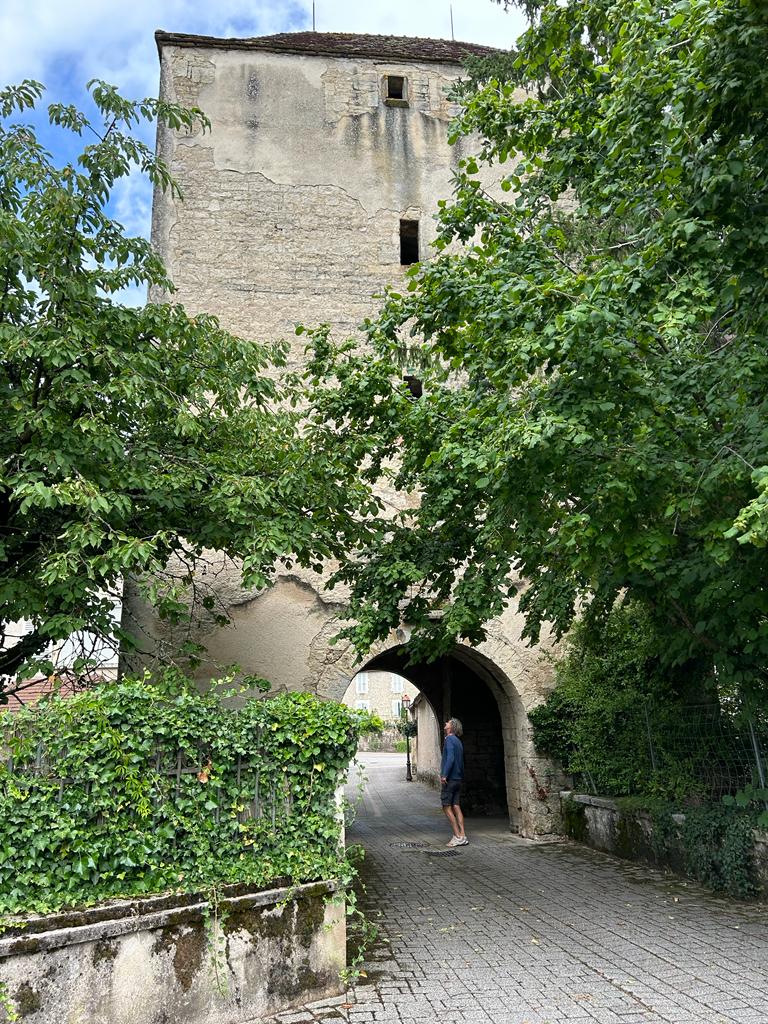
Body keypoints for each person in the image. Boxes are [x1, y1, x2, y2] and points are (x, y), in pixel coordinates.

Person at [440, 717, 468, 847]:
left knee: (446, 807)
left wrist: (444, 775)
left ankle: (457, 836)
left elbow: (450, 758)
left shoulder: (450, 739)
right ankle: (463, 835)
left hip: (450, 779)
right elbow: (461, 761)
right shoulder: (458, 741)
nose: (445, 724)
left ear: (451, 727)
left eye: (448, 723)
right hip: (458, 778)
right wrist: (460, 775)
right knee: (456, 806)